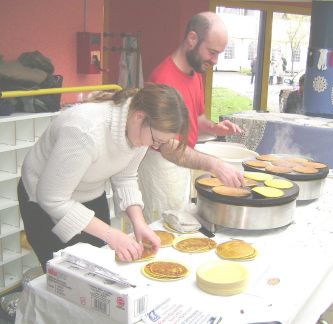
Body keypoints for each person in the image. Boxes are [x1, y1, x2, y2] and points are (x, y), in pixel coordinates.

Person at [17, 84, 242, 271]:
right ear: (139, 117)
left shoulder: (141, 129)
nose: (156, 146)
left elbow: (126, 176)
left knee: (97, 266)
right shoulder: (85, 131)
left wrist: (139, 222)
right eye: (157, 140)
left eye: (162, 143)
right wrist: (110, 234)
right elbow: (53, 199)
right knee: (64, 274)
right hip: (42, 199)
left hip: (87, 192)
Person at [138, 11, 242, 223]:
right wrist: (215, 164)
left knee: (180, 223)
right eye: (212, 52)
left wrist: (215, 127)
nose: (215, 60)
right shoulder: (163, 79)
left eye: (219, 54)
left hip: (182, 161)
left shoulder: (195, 72)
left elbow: (198, 117)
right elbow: (168, 146)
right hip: (162, 165)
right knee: (164, 229)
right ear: (192, 39)